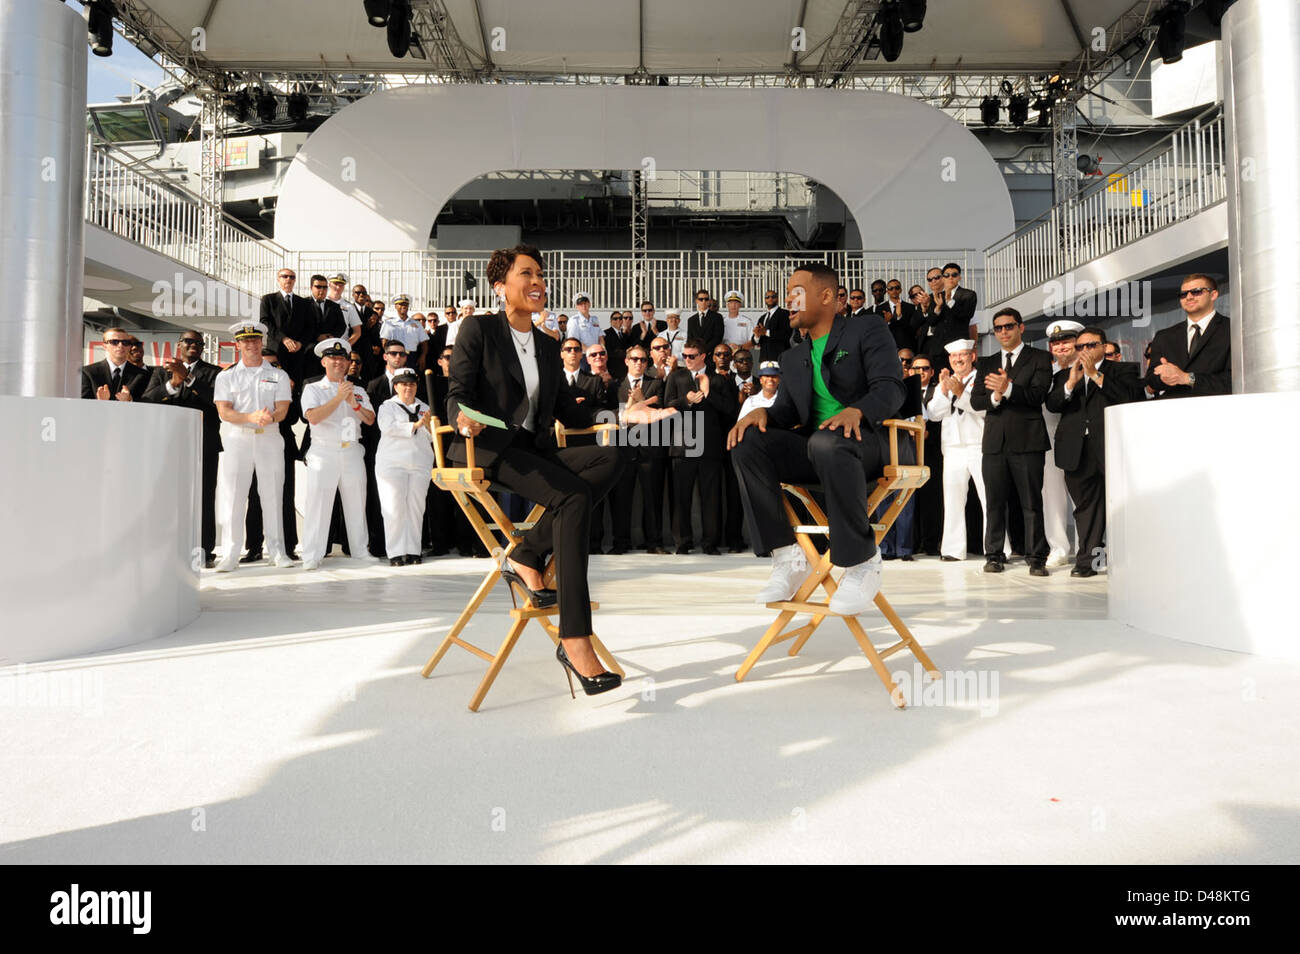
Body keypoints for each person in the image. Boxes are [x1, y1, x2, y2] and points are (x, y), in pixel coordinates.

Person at [446, 244, 664, 696]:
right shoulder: (479, 329)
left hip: (537, 449)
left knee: (614, 455)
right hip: (489, 448)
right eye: (525, 273)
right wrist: (459, 417)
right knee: (573, 496)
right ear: (500, 286)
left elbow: (573, 413)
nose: (536, 280)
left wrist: (622, 416)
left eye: (539, 273)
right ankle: (574, 638)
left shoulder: (548, 346)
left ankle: (526, 553)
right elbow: (457, 391)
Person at [728, 262, 905, 615]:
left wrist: (858, 410)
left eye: (797, 293)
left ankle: (862, 562)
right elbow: (787, 413)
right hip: (817, 448)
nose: (789, 301)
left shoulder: (865, 329)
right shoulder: (793, 357)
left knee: (826, 441)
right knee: (747, 441)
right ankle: (788, 557)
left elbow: (891, 388)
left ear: (826, 296)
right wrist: (763, 413)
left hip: (862, 445)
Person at [1046, 326, 1145, 577]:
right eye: (1080, 347)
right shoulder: (1064, 376)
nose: (1085, 351)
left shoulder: (1123, 370)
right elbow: (1053, 404)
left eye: (1091, 345)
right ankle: (1086, 563)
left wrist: (1096, 375)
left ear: (1103, 346)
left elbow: (1131, 398)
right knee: (1085, 509)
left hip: (1113, 447)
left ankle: (1131, 559)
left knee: (1122, 504)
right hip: (1076, 451)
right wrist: (1071, 382)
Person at [970, 306, 1054, 576]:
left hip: (1028, 441)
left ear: (1021, 327)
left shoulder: (1040, 357)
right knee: (994, 503)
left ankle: (1037, 557)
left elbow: (1037, 396)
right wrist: (995, 397)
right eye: (998, 328)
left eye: (1009, 326)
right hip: (994, 443)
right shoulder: (985, 362)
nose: (1003, 332)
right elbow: (976, 400)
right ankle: (994, 555)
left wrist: (1008, 388)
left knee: (1031, 503)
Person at [212, 321, 294, 571]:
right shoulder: (226, 375)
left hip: (269, 436)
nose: (251, 344)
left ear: (262, 342)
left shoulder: (278, 374)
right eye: (246, 340)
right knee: (234, 497)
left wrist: (268, 417)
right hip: (238, 439)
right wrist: (250, 417)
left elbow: (283, 408)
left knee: (272, 496)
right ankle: (230, 553)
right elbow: (224, 412)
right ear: (237, 344)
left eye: (256, 340)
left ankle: (278, 552)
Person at [144, 331, 222, 567]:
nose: (193, 346)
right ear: (178, 345)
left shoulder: (214, 372)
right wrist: (172, 384)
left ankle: (204, 551)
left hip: (204, 443)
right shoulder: (160, 371)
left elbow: (216, 402)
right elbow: (147, 401)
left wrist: (188, 379)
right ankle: (168, 546)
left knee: (204, 498)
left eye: (198, 343)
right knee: (169, 496)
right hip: (170, 444)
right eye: (188, 341)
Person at [299, 338, 375, 570]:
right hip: (324, 451)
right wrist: (338, 398)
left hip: (351, 450)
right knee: (318, 504)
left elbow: (370, 419)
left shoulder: (358, 389)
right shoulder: (312, 389)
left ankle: (360, 551)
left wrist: (353, 403)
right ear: (324, 362)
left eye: (342, 359)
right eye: (333, 358)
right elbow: (312, 417)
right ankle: (312, 554)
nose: (339, 362)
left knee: (356, 503)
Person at [664, 337, 738, 555]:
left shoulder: (718, 379)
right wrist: (685, 401)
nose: (687, 359)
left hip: (710, 448)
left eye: (692, 356)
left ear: (703, 356)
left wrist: (708, 393)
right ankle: (682, 542)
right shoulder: (676, 376)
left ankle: (710, 543)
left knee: (711, 497)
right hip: (682, 446)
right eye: (684, 355)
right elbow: (666, 404)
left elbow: (729, 408)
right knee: (681, 498)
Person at [927, 339, 998, 562]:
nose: (958, 360)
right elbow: (933, 414)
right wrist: (945, 391)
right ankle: (952, 549)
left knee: (989, 499)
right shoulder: (945, 383)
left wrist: (960, 393)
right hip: (952, 448)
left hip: (979, 445)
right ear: (949, 359)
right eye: (954, 357)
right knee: (953, 499)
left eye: (963, 355)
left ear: (972, 357)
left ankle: (997, 549)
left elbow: (986, 410)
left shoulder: (983, 379)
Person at [375, 367, 435, 567]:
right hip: (392, 463)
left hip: (419, 462)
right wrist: (416, 426)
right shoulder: (387, 407)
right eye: (403, 384)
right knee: (394, 507)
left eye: (412, 384)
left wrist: (427, 426)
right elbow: (387, 427)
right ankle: (396, 552)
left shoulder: (425, 407)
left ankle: (413, 550)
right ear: (396, 386)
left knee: (416, 507)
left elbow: (434, 437)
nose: (408, 388)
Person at [1144, 273, 1232, 398]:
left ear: (1213, 295)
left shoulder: (1232, 329)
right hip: (1171, 411)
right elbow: (1151, 380)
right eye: (1183, 294)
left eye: (1196, 292)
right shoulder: (1164, 336)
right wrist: (1163, 377)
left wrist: (1188, 378)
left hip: (1216, 410)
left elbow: (1236, 379)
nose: (1189, 297)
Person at [1042, 320, 1084, 568]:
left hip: (1082, 438)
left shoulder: (1089, 369)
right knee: (1052, 496)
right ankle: (1059, 547)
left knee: (1084, 497)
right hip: (1050, 439)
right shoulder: (1046, 373)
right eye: (1056, 343)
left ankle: (1086, 547)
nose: (1061, 347)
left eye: (1066, 341)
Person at [258, 267, 315, 388]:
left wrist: (301, 343)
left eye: (292, 277)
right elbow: (265, 322)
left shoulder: (304, 303)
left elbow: (310, 327)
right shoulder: (268, 299)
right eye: (285, 276)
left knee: (296, 387)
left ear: (295, 281)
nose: (288, 279)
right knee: (274, 386)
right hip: (276, 352)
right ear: (278, 280)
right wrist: (283, 339)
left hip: (297, 353)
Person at [81, 327, 151, 401]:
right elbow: (81, 405)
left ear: (129, 346)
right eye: (114, 342)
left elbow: (148, 403)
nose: (120, 345)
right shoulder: (88, 372)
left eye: (125, 342)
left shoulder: (142, 375)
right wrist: (100, 402)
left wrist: (130, 400)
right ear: (105, 346)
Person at [752, 288, 793, 365]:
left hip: (781, 358)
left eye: (773, 296)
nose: (770, 299)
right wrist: (757, 336)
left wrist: (766, 332)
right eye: (767, 297)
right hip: (764, 359)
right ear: (765, 300)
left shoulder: (785, 314)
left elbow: (786, 335)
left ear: (777, 298)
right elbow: (755, 341)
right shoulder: (762, 317)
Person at [686, 289, 725, 355]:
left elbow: (718, 337)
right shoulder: (691, 320)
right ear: (697, 301)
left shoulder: (717, 317)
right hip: (696, 355)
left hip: (711, 354)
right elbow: (690, 339)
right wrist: (695, 351)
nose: (704, 301)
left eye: (706, 299)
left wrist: (704, 350)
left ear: (709, 301)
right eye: (701, 299)